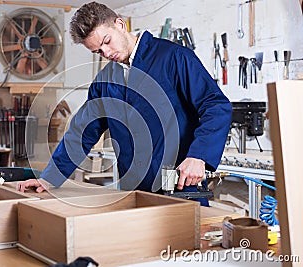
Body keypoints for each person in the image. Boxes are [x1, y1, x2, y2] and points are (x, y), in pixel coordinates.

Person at [17, 1, 232, 205]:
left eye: (107, 42)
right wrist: (49, 178)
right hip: (133, 192)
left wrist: (199, 156)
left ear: (120, 24)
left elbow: (216, 106)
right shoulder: (104, 82)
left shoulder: (174, 58)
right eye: (98, 51)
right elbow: (81, 132)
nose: (107, 53)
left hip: (180, 188)